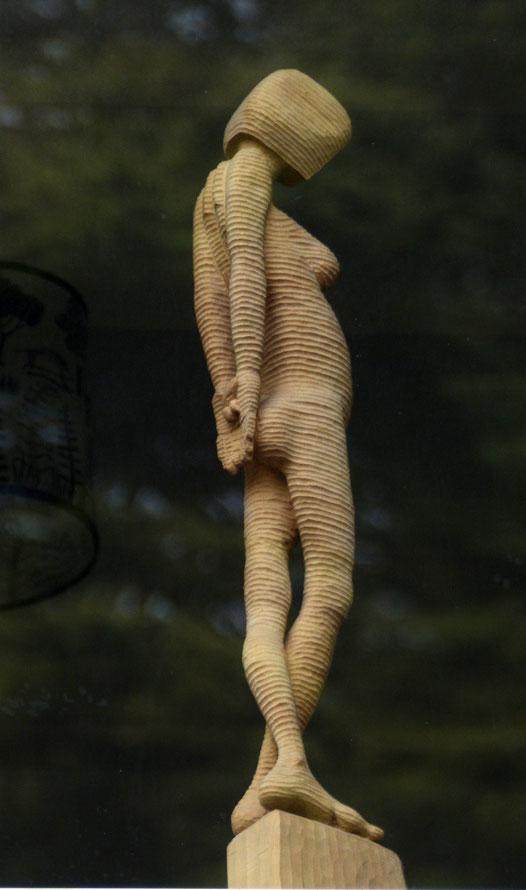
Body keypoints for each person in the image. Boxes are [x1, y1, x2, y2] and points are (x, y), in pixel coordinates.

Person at [193, 69, 383, 841]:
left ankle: (265, 783)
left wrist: (230, 397)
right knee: (329, 587)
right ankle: (291, 760)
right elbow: (242, 282)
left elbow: (212, 295)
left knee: (269, 597)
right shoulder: (241, 182)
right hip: (300, 404)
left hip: (268, 406)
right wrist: (243, 378)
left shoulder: (218, 191)